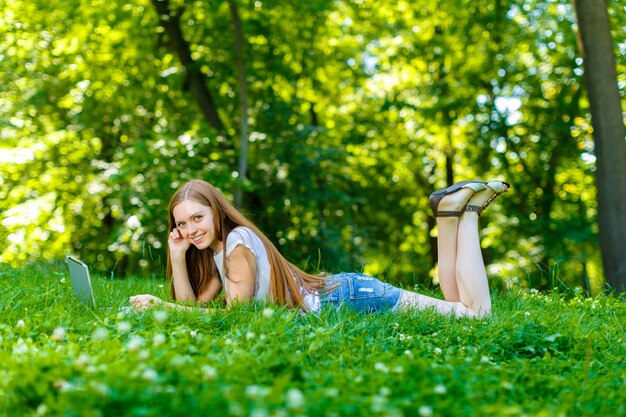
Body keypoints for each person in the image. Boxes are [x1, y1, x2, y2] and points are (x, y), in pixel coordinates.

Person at [130, 179, 509, 318]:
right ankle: (447, 213)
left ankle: (469, 212)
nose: (189, 228)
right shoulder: (218, 251)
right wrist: (178, 257)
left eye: (197, 218)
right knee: (456, 302)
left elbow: (233, 316)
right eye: (181, 223)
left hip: (348, 298)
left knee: (477, 316)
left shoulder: (236, 244)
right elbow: (191, 308)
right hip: (341, 292)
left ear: (216, 211)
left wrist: (163, 307)